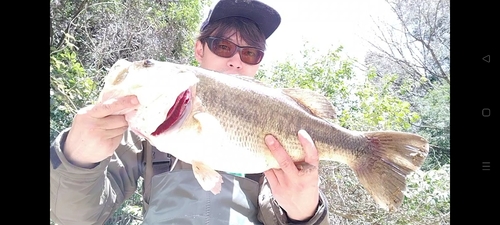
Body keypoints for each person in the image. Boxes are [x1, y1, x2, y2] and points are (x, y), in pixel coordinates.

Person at [50, 0, 330, 224]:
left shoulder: (281, 127)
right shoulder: (146, 125)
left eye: (250, 53)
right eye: (223, 46)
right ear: (199, 49)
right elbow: (74, 218)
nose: (235, 61)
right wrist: (77, 162)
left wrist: (306, 216)